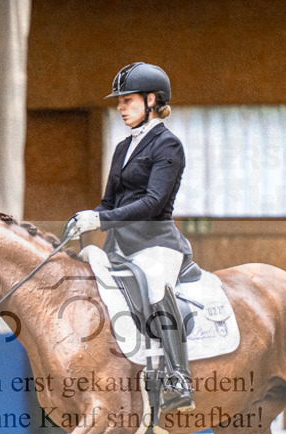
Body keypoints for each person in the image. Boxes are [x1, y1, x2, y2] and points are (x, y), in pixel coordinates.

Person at [63, 62, 194, 412]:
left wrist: (101, 219)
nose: (120, 107)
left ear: (152, 100)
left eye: (128, 100)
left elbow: (153, 203)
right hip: (119, 246)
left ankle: (178, 377)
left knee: (154, 284)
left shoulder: (169, 146)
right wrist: (86, 219)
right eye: (119, 101)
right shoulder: (123, 147)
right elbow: (109, 202)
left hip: (156, 244)